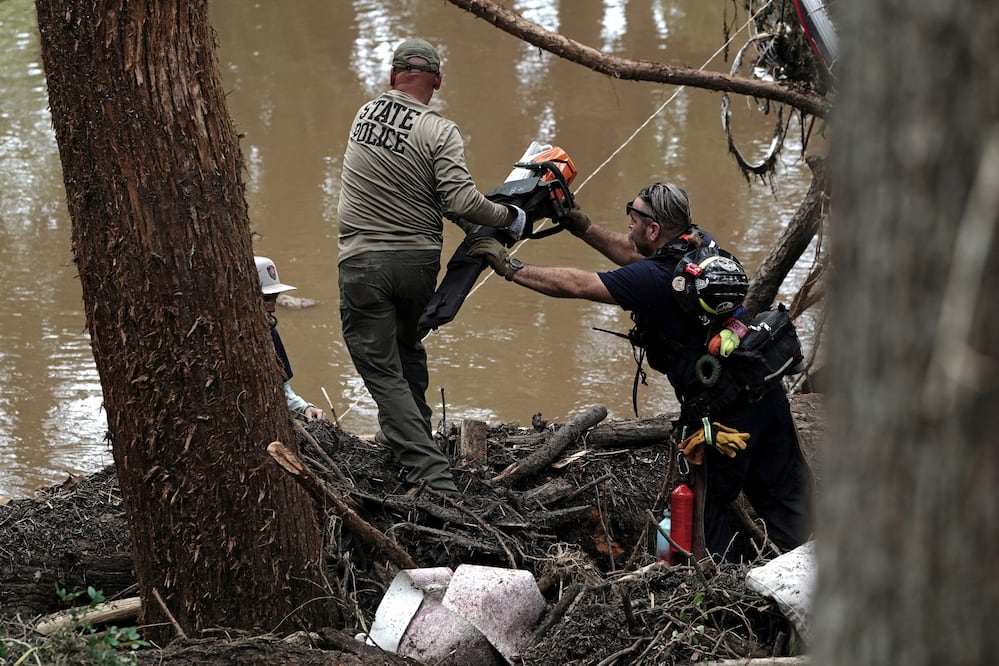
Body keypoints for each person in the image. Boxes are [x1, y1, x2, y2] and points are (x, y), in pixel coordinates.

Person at [468, 182, 813, 561]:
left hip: (722, 418)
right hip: (764, 390)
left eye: (632, 219)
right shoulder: (699, 247)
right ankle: (808, 579)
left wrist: (509, 267)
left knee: (707, 509)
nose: (628, 228)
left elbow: (578, 284)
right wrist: (580, 225)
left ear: (653, 230)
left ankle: (714, 596)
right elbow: (634, 259)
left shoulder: (654, 280)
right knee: (788, 500)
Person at [335, 38, 526, 493]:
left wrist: (493, 217)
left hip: (364, 261)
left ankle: (434, 479)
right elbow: (456, 199)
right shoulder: (440, 131)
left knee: (381, 368)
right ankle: (415, 434)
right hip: (418, 263)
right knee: (407, 346)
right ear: (437, 82)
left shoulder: (363, 117)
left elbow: (442, 197)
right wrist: (509, 217)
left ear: (391, 76)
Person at [255, 256, 327, 423]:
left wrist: (305, 408)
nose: (273, 308)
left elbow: (282, 388)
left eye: (275, 298)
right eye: (266, 299)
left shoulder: (271, 332)